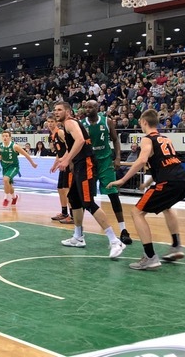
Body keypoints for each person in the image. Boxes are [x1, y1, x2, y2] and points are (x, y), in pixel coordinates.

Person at [107, 109, 185, 270]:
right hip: (182, 180)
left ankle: (150, 256)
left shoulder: (147, 139)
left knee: (137, 212)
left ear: (144, 122)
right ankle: (176, 246)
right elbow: (166, 164)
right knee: (167, 207)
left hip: (168, 182)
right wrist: (147, 184)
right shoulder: (165, 138)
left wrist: (123, 180)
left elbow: (142, 160)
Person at [51, 101, 125, 259]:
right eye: (55, 110)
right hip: (80, 164)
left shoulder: (69, 123)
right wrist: (62, 159)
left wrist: (67, 160)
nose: (56, 112)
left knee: (88, 202)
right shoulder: (69, 124)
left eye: (59, 110)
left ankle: (114, 240)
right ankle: (78, 236)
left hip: (86, 164)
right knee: (74, 198)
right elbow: (73, 146)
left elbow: (80, 141)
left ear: (68, 111)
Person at [82, 100, 132, 245]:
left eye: (91, 107)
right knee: (86, 197)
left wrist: (118, 157)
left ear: (97, 108)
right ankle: (79, 231)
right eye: (86, 107)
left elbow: (115, 140)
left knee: (113, 194)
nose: (88, 109)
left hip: (105, 161)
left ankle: (123, 230)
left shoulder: (107, 121)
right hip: (89, 162)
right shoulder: (81, 124)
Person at [0, 130, 37, 207]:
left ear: (10, 137)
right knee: (8, 184)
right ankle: (14, 197)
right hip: (5, 167)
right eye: (3, 136)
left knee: (5, 180)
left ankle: (6, 198)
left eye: (6, 136)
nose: (5, 137)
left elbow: (26, 154)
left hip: (13, 166)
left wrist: (32, 163)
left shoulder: (14, 146)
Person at [46, 113, 72, 224]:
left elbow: (70, 146)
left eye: (52, 122)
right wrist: (55, 164)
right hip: (62, 164)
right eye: (48, 122)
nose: (50, 124)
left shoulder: (60, 132)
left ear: (56, 123)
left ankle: (72, 215)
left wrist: (64, 159)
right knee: (60, 189)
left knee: (67, 189)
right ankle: (64, 212)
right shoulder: (52, 136)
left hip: (68, 164)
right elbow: (59, 152)